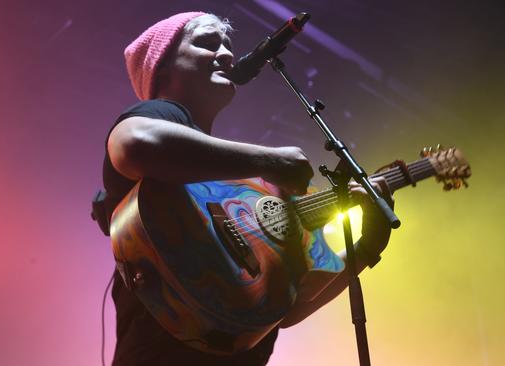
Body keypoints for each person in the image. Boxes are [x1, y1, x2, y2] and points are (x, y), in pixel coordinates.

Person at [102, 11, 393, 366]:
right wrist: (269, 161)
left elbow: (289, 306)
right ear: (162, 68)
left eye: (227, 45)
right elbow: (133, 144)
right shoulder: (160, 114)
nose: (226, 54)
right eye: (208, 43)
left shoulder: (236, 182)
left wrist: (366, 249)